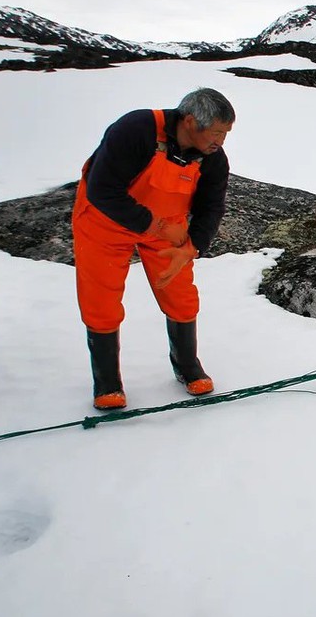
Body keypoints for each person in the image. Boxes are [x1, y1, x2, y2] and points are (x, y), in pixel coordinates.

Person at [72, 88, 235, 410]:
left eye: (226, 134)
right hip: (105, 220)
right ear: (190, 121)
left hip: (167, 226)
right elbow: (102, 190)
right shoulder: (135, 130)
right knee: (100, 299)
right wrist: (159, 226)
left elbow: (211, 208)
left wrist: (190, 249)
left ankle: (187, 365)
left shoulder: (213, 159)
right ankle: (107, 381)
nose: (221, 141)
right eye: (217, 133)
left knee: (181, 296)